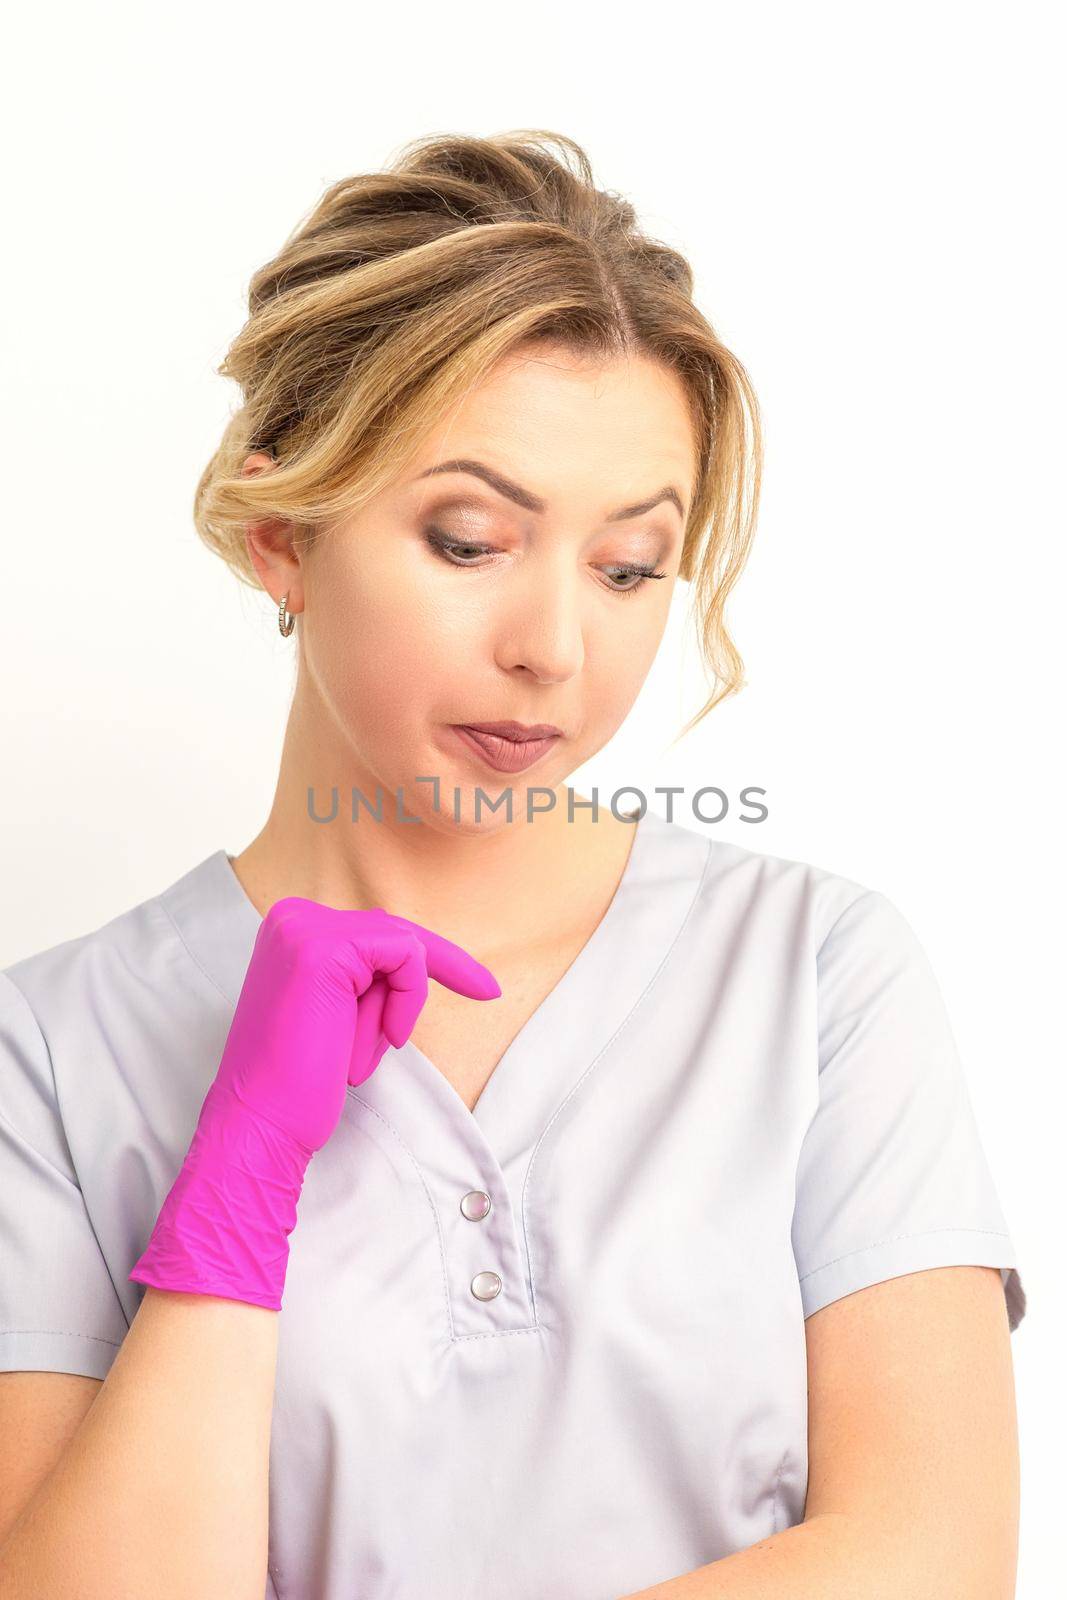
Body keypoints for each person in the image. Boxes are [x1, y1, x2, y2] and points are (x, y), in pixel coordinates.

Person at [0, 129, 1025, 1600]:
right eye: (469, 538)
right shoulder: (47, 1053)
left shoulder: (815, 973)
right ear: (281, 529)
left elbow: (931, 1559)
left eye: (627, 568)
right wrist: (237, 1186)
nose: (555, 647)